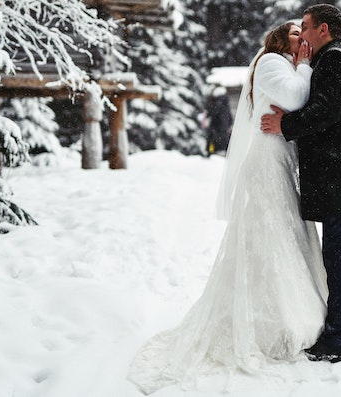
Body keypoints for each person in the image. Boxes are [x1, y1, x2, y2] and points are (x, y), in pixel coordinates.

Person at [128, 22, 326, 395]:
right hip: (266, 163)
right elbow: (297, 98)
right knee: (272, 235)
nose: (304, 39)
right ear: (281, 40)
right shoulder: (271, 62)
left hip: (278, 159)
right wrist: (303, 65)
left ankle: (289, 311)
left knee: (285, 234)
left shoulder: (283, 62)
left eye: (305, 34)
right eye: (297, 35)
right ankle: (273, 320)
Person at [261, 4, 341, 363]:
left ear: (324, 30)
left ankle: (337, 339)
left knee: (340, 258)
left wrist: (284, 125)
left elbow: (325, 112)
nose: (301, 33)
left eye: (306, 26)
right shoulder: (336, 58)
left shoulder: (333, 60)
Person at [204, 85, 233, 155]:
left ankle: (211, 152)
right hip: (224, 128)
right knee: (223, 143)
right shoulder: (226, 102)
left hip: (216, 128)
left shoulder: (216, 103)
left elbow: (211, 113)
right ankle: (221, 152)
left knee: (213, 142)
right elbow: (229, 116)